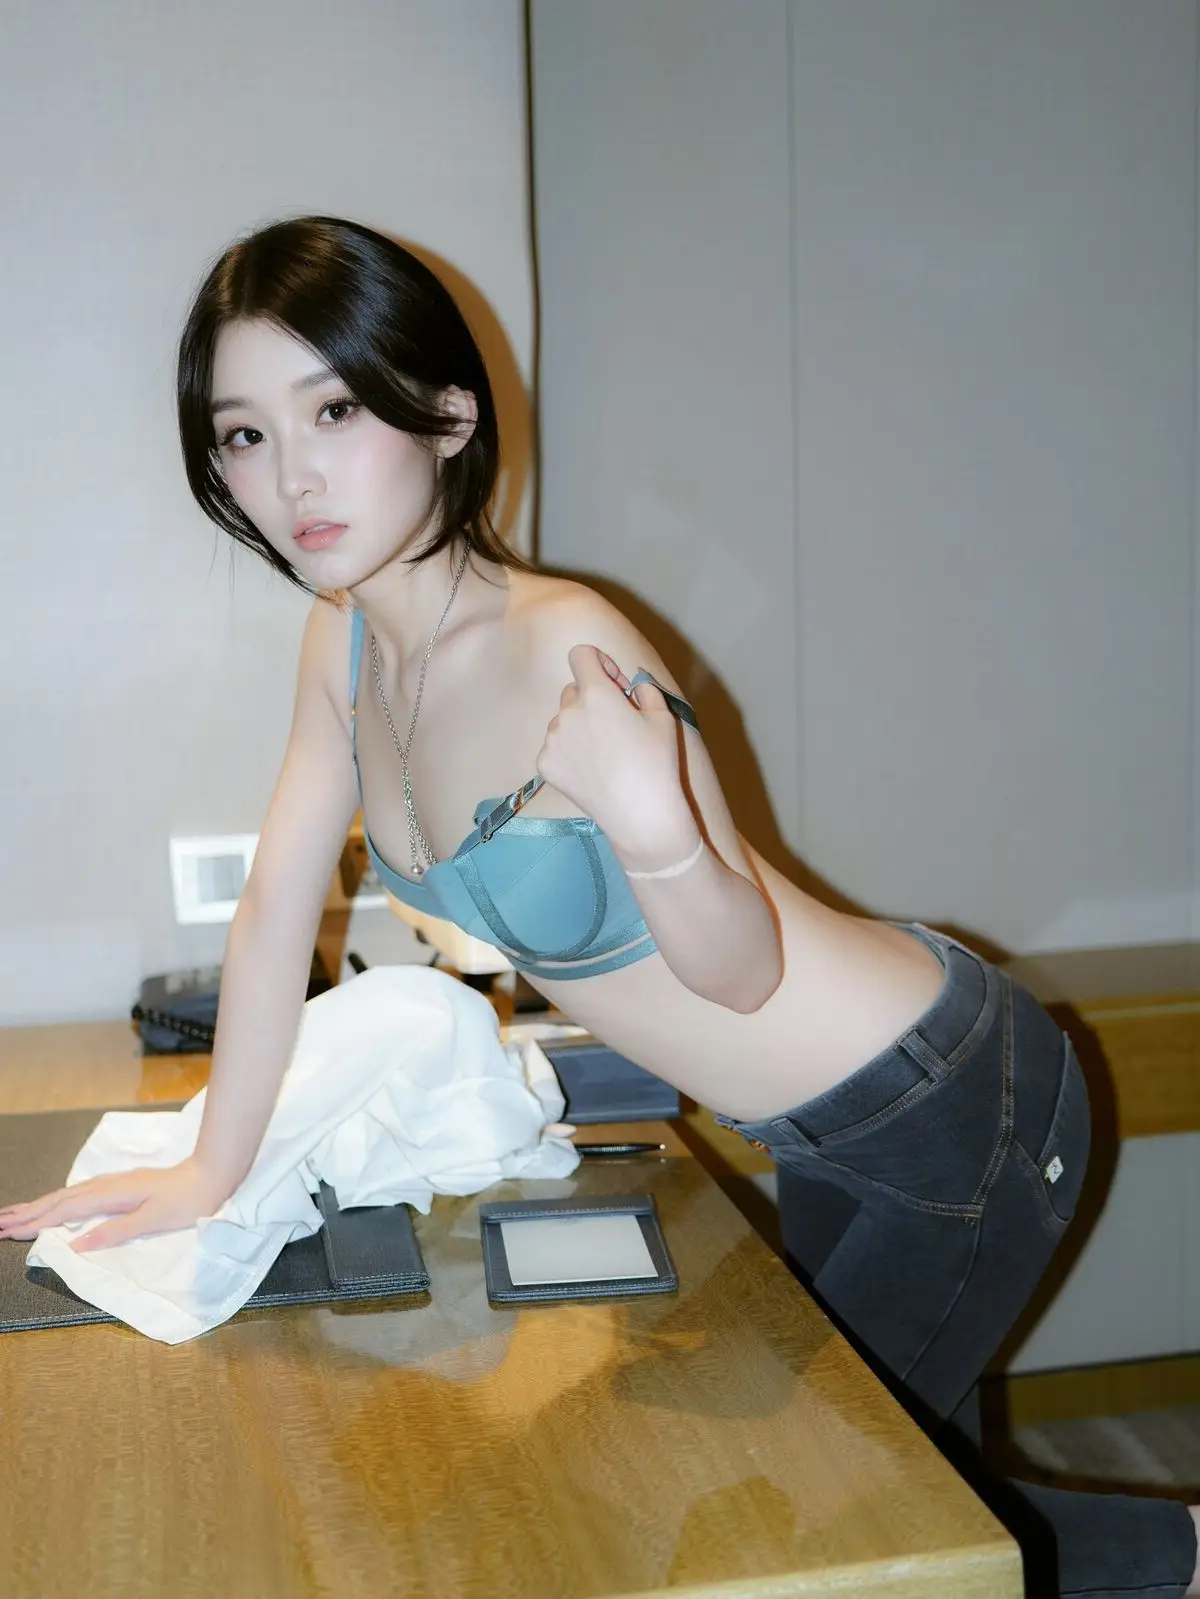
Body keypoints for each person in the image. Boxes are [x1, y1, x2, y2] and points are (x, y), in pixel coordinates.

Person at [1, 216, 1195, 1597]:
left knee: (843, 1519)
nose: (292, 474)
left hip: (949, 1099)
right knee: (900, 1495)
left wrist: (655, 826)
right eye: (245, 435)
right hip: (810, 1124)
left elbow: (740, 970)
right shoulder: (345, 644)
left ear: (448, 414)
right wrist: (211, 1169)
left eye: (333, 409)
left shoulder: (566, 639)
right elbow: (276, 906)